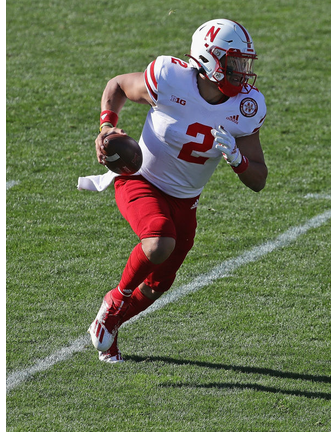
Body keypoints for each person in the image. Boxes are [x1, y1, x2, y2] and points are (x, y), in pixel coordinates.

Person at [86, 18, 268, 363]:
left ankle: (109, 325)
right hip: (140, 179)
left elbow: (258, 179)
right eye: (234, 63)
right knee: (158, 241)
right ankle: (115, 299)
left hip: (186, 201)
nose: (242, 73)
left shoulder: (246, 107)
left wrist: (238, 158)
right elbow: (118, 86)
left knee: (159, 284)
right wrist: (107, 125)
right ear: (211, 60)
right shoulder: (170, 78)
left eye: (245, 64)